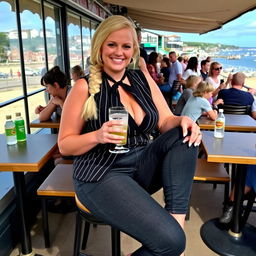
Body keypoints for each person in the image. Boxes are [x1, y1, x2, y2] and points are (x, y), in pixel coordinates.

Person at [58, 15, 201, 256]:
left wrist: (184, 120)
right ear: (100, 46)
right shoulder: (83, 87)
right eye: (112, 44)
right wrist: (97, 135)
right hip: (101, 173)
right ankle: (173, 242)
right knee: (172, 244)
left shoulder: (142, 78)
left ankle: (175, 221)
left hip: (140, 165)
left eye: (126, 46)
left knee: (183, 135)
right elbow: (65, 145)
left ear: (134, 49)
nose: (119, 52)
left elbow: (166, 121)